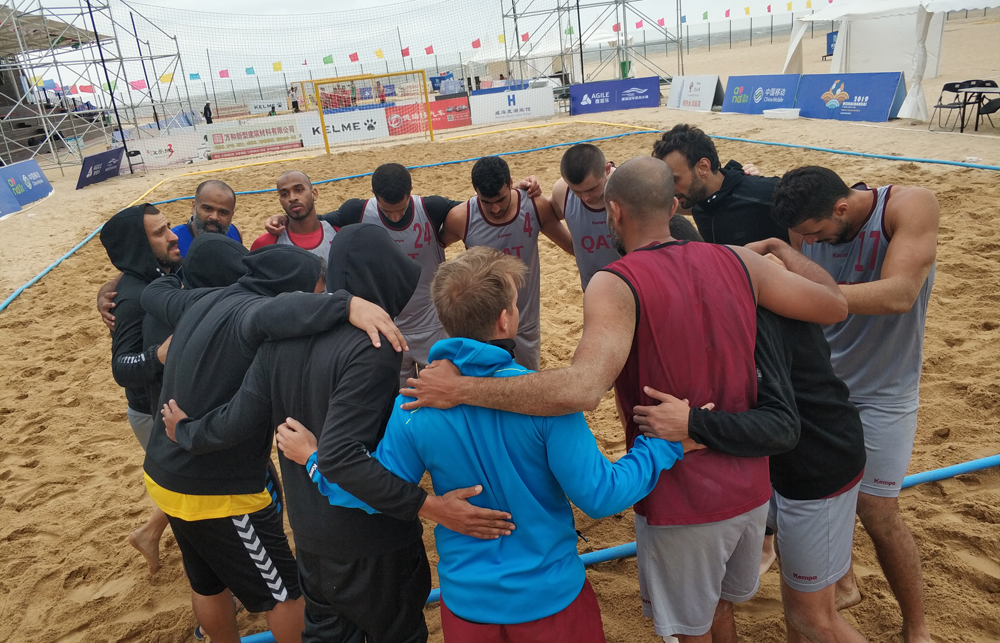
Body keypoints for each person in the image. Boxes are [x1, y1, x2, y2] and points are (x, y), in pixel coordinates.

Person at [401, 156, 849, 642]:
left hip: (683, 496)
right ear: (675, 205)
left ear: (614, 212)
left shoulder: (613, 281)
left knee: (692, 627)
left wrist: (463, 388)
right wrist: (780, 249)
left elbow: (581, 390)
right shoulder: (739, 260)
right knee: (721, 611)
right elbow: (834, 304)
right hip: (750, 486)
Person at [273, 245, 694, 642]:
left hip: (467, 608)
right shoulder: (545, 401)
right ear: (504, 322)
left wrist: (314, 459)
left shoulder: (414, 406)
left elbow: (364, 491)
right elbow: (600, 495)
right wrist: (662, 446)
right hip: (550, 601)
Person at [158, 227, 518, 643]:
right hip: (374, 543)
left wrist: (185, 429)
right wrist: (431, 506)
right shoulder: (376, 343)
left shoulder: (278, 342)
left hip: (311, 540)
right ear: (384, 277)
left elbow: (235, 422)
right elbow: (342, 457)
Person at [139, 244, 409, 643]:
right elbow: (275, 315)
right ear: (289, 292)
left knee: (209, 584)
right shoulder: (253, 314)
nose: (318, 299)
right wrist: (347, 305)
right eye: (315, 292)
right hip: (217, 488)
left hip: (163, 475)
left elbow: (152, 294)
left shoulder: (207, 297)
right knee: (284, 593)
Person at [637, 222, 869, 643]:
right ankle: (840, 583)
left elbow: (782, 425)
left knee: (811, 618)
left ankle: (840, 586)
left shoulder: (749, 306)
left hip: (816, 466)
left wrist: (695, 425)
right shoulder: (749, 282)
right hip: (788, 464)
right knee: (796, 606)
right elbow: (832, 301)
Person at [766, 166, 939, 643]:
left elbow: (900, 294)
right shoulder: (804, 223)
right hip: (823, 389)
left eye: (817, 233)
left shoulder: (909, 205)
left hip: (885, 391)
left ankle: (917, 628)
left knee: (877, 513)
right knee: (803, 499)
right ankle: (840, 582)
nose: (810, 241)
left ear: (841, 208)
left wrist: (802, 292)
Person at [262, 164, 544, 383]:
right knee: (400, 399)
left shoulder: (430, 208)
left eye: (401, 209)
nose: (395, 217)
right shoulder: (356, 211)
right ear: (374, 199)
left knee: (448, 389)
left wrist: (517, 190)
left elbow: (477, 208)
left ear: (412, 193)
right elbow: (315, 222)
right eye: (388, 211)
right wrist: (283, 219)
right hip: (386, 326)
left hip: (433, 324)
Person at [98, 204, 181, 576]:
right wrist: (159, 356)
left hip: (172, 404)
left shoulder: (164, 273)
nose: (173, 235)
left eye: (169, 227)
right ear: (139, 246)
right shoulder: (131, 301)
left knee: (190, 485)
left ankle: (149, 532)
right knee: (190, 493)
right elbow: (120, 367)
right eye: (160, 232)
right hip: (152, 413)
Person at [441, 155, 575, 370]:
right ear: (475, 191)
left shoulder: (535, 206)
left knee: (528, 387)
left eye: (500, 199)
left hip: (524, 320)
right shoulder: (461, 217)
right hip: (482, 325)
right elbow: (434, 248)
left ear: (511, 183)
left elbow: (572, 247)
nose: (495, 208)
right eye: (486, 202)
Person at [97, 180, 242, 332]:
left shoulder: (235, 234)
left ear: (232, 214)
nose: (214, 217)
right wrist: (103, 297)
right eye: (207, 208)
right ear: (194, 206)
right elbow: (133, 271)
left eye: (223, 212)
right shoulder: (173, 241)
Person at [652, 124, 788, 245]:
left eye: (674, 180)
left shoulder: (763, 194)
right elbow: (656, 203)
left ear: (703, 167)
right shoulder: (698, 201)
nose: (669, 189)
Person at [251, 171, 336, 260]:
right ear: (280, 201)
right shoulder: (264, 244)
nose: (292, 198)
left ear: (314, 194)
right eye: (284, 194)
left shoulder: (338, 233)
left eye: (299, 190)